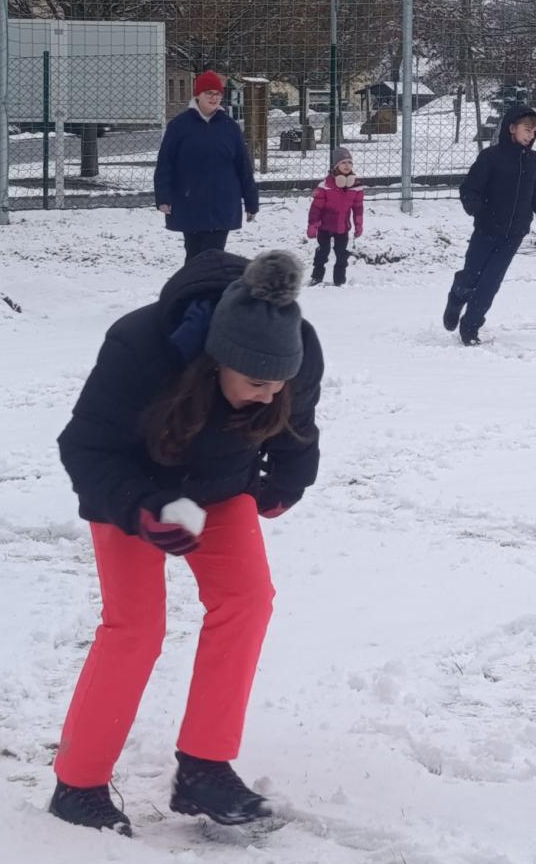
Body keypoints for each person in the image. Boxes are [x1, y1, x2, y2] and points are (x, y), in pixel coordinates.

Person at [50, 250, 322, 836]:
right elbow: (85, 449)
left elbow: (300, 424)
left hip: (222, 487)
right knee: (135, 628)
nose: (271, 394)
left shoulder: (296, 348)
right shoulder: (139, 347)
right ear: (217, 359)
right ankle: (78, 784)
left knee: (248, 600)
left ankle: (204, 767)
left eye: (281, 382)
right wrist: (142, 509)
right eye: (256, 382)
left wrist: (288, 481)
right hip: (133, 491)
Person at [442, 103, 536, 346]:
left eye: (535, 131)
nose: (531, 135)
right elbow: (469, 189)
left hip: (515, 232)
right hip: (487, 229)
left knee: (491, 281)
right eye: (527, 129)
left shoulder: (535, 160)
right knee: (472, 276)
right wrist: (479, 212)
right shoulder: (491, 157)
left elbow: (532, 189)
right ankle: (456, 298)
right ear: (512, 128)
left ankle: (470, 326)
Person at [154, 70, 259, 262]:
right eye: (208, 93)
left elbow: (243, 167)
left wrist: (251, 200)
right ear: (198, 95)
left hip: (223, 202)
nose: (213, 98)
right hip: (189, 201)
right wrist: (163, 197)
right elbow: (165, 164)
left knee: (215, 255)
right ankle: (192, 290)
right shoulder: (179, 126)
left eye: (217, 94)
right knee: (194, 255)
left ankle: (210, 290)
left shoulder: (230, 127)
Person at [305, 146, 364, 286]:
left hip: (343, 228)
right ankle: (316, 277)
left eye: (350, 162)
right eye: (343, 162)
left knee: (341, 254)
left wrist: (358, 225)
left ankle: (339, 281)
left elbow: (358, 208)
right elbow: (316, 207)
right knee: (322, 252)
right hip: (325, 226)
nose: (347, 165)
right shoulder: (325, 186)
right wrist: (313, 225)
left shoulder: (356, 187)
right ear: (336, 165)